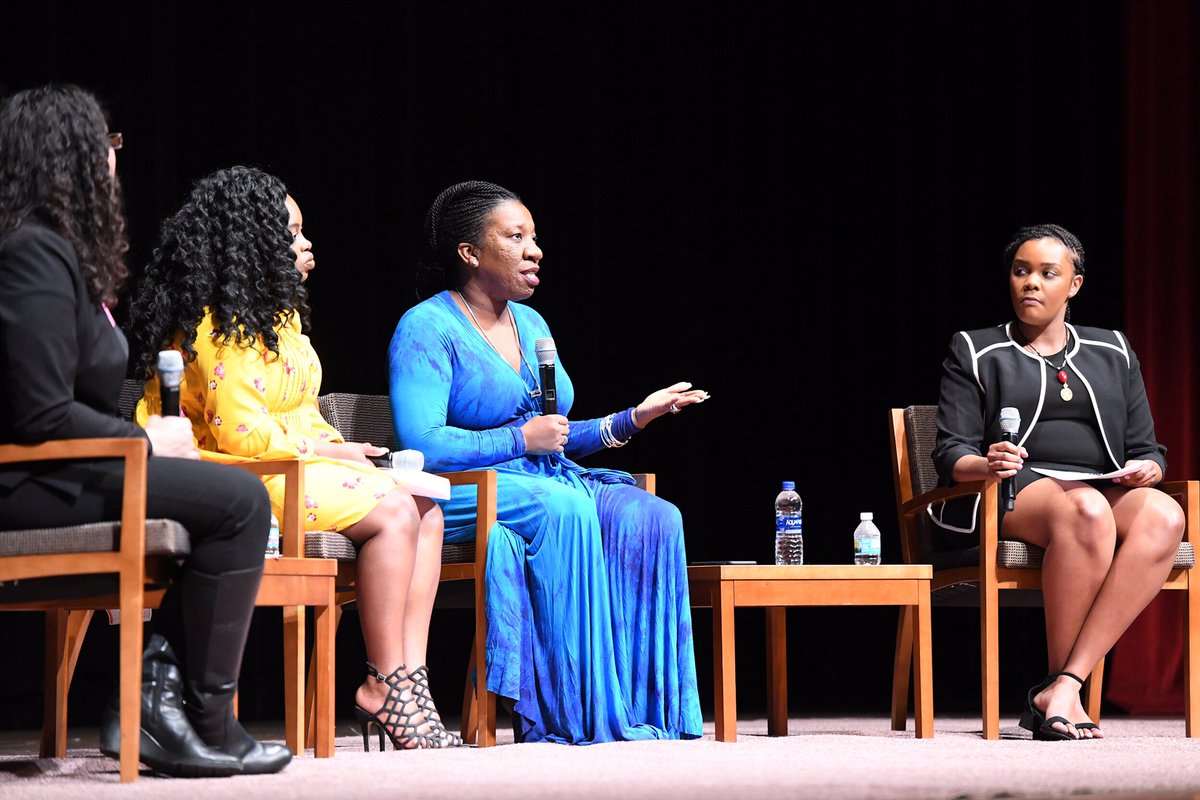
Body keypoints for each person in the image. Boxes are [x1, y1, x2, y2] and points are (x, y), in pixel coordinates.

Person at [0, 85, 291, 776]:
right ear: (68, 153)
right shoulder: (30, 253)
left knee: (226, 500)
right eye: (108, 142)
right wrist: (148, 442)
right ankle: (203, 717)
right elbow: (39, 414)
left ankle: (160, 708)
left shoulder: (52, 252)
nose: (113, 157)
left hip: (64, 469)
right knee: (239, 501)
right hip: (27, 479)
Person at [128, 165, 459, 751]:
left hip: (290, 462)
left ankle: (408, 678)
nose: (306, 245)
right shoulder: (212, 327)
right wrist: (324, 450)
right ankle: (384, 684)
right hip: (227, 472)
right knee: (392, 511)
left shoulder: (281, 323)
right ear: (255, 243)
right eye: (293, 233)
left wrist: (339, 445)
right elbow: (240, 434)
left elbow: (299, 411)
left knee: (425, 503)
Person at [387, 180, 707, 744]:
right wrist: (519, 439)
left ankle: (642, 707)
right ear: (470, 253)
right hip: (460, 489)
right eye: (516, 237)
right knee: (563, 510)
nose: (535, 250)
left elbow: (553, 437)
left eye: (534, 237)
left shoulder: (532, 325)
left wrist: (635, 418)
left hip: (540, 477)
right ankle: (576, 711)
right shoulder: (427, 327)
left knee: (656, 517)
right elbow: (423, 444)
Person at [932, 223, 1185, 741]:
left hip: (1103, 483)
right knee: (1086, 510)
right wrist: (988, 462)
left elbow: (1148, 449)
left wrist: (1149, 471)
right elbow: (950, 452)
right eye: (1021, 271)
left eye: (1048, 273)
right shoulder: (977, 350)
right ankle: (1060, 688)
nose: (1031, 283)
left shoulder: (1112, 349)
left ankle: (1063, 686)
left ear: (1074, 285)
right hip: (1011, 489)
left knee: (1166, 515)